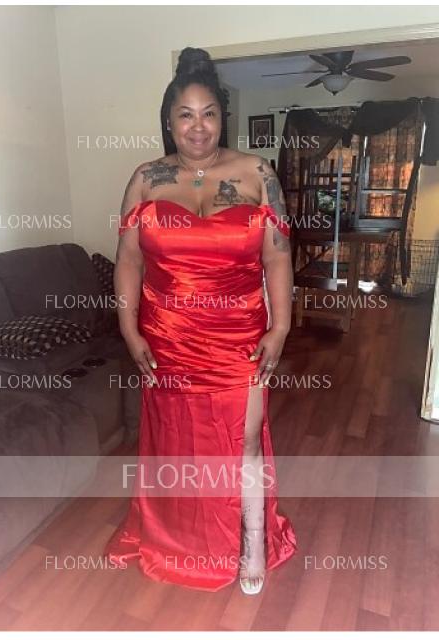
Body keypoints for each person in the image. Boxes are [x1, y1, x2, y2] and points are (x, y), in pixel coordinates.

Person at [103, 46, 297, 595]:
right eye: (185, 114)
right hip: (168, 335)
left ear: (222, 118)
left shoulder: (257, 173)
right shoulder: (146, 178)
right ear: (169, 121)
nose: (198, 126)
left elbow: (277, 256)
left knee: (244, 440)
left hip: (239, 335)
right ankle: (184, 536)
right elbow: (128, 260)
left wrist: (280, 327)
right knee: (179, 442)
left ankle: (252, 543)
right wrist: (129, 328)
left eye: (209, 113)